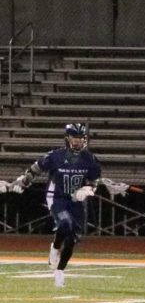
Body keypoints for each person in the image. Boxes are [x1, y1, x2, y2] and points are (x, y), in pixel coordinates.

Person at [2, 123, 101, 288]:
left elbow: (95, 180)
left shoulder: (90, 159)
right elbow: (34, 170)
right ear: (67, 138)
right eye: (74, 138)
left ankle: (60, 271)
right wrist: (21, 183)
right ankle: (55, 247)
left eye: (80, 138)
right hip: (56, 197)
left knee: (72, 239)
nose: (77, 141)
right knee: (65, 224)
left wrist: (88, 188)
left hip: (75, 201)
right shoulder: (55, 156)